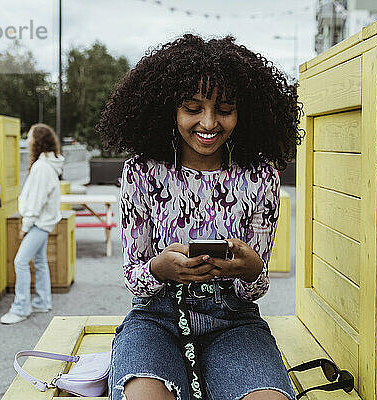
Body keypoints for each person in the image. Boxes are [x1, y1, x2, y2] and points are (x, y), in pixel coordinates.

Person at [97, 34, 301, 400]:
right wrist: (159, 269)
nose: (209, 122)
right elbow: (134, 277)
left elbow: (253, 287)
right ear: (169, 110)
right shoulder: (141, 173)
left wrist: (252, 270)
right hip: (156, 320)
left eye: (224, 109)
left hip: (234, 322)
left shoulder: (261, 177)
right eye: (192, 108)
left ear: (244, 112)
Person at [0, 124, 64, 325]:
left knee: (20, 262)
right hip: (43, 222)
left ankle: (20, 308)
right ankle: (42, 301)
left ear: (37, 141)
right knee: (39, 262)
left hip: (38, 223)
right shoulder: (47, 165)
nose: (27, 140)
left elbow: (36, 201)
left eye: (29, 137)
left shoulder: (41, 167)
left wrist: (25, 226)